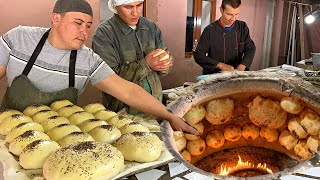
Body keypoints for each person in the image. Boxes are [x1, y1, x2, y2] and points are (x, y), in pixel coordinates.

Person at [0, 0, 197, 135]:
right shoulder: (20, 38)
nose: (84, 32)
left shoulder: (87, 59)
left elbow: (128, 91)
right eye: (78, 23)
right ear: (56, 19)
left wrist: (170, 116)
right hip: (7, 131)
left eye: (88, 25)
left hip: (58, 137)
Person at [92, 0, 173, 114]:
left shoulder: (151, 28)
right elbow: (108, 80)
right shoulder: (105, 34)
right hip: (124, 112)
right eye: (128, 7)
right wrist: (146, 64)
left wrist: (164, 64)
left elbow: (166, 64)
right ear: (116, 6)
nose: (135, 13)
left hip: (156, 106)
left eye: (139, 5)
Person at [193, 0, 256, 75]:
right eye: (229, 14)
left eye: (237, 14)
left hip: (237, 75)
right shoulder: (209, 30)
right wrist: (220, 65)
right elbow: (198, 55)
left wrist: (243, 65)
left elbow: (250, 48)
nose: (233, 18)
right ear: (221, 10)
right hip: (214, 76)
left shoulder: (242, 27)